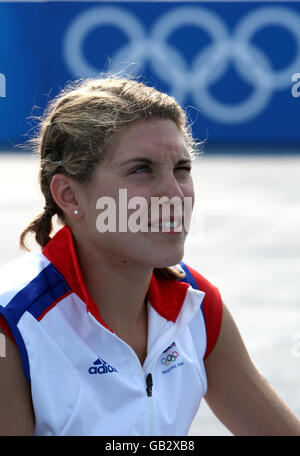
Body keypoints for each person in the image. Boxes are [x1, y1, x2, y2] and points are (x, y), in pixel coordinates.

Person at [0, 76, 300, 436]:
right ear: (70, 195)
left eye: (182, 170)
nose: (174, 194)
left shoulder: (195, 305)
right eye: (141, 170)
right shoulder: (14, 323)